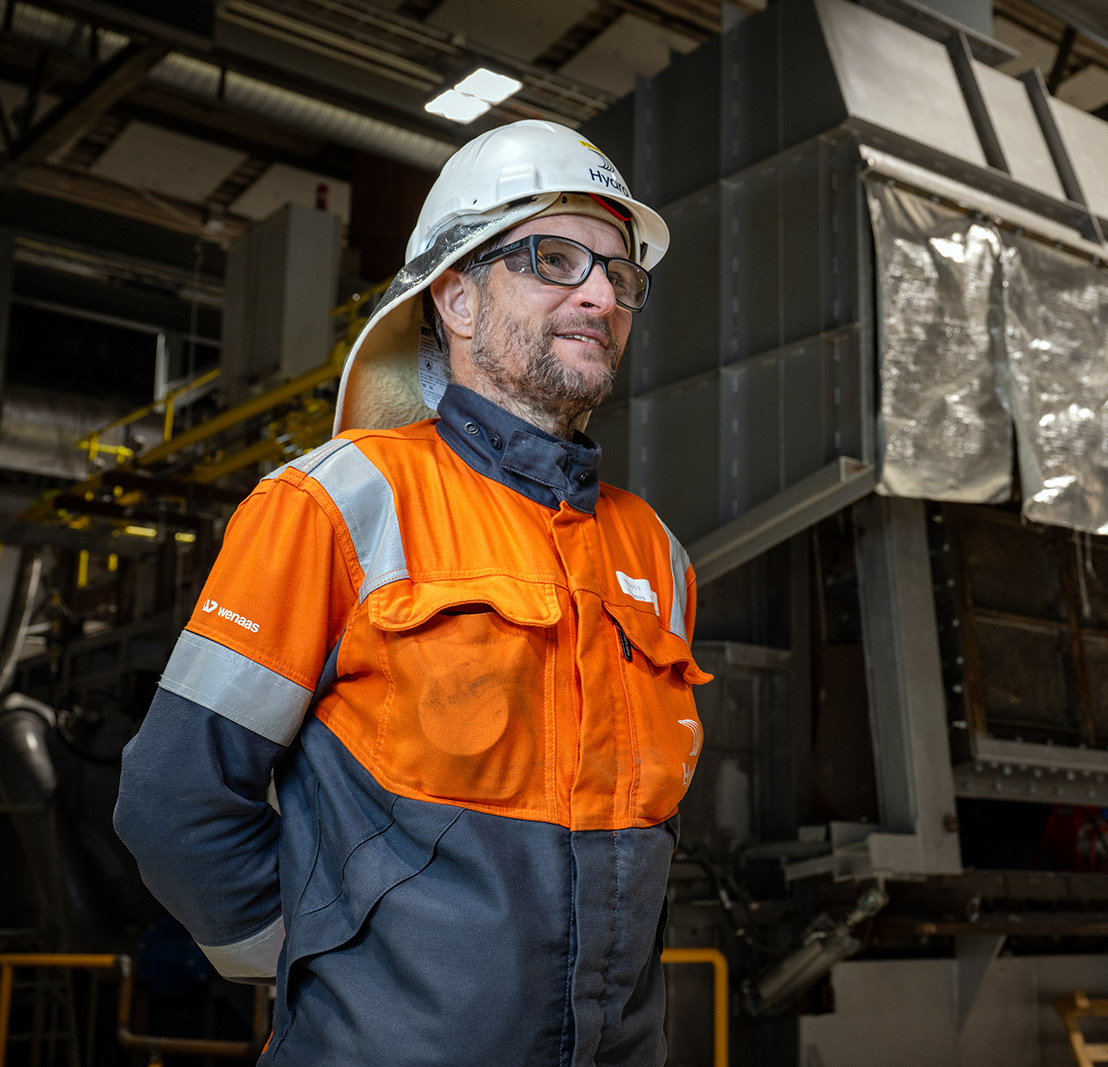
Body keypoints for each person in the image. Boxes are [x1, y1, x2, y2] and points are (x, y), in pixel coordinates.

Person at [114, 120, 710, 1067]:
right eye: (555, 258)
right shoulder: (337, 503)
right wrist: (324, 958)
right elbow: (173, 800)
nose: (601, 294)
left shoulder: (658, 556)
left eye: (620, 272)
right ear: (458, 297)